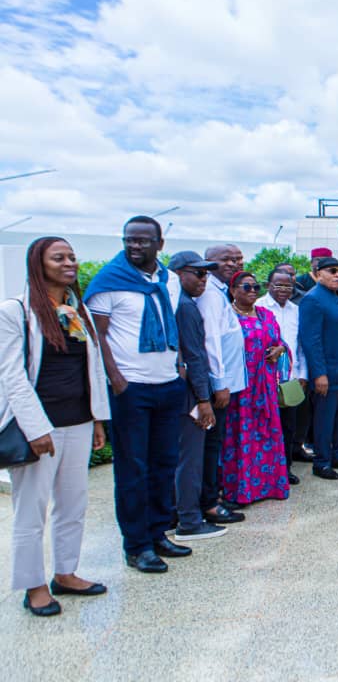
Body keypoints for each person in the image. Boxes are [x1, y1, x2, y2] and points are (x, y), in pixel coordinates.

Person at [2, 237, 109, 616]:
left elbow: (91, 369)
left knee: (73, 503)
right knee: (31, 510)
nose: (69, 263)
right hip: (39, 427)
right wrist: (35, 429)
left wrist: (97, 420)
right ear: (38, 264)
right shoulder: (15, 311)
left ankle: (66, 572)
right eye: (58, 258)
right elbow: (12, 376)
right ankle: (33, 586)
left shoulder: (78, 311)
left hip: (78, 420)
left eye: (72, 257)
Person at [85, 216, 188, 573]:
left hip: (168, 384)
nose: (135, 245)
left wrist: (178, 366)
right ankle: (137, 545)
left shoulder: (169, 280)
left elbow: (171, 324)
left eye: (143, 240)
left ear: (160, 244)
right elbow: (98, 336)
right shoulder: (109, 281)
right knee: (133, 469)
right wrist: (117, 380)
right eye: (129, 239)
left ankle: (159, 533)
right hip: (132, 388)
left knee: (164, 464)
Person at [169, 251, 227, 542]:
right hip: (190, 396)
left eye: (207, 274)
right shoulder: (185, 307)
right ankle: (190, 521)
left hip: (180, 391)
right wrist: (204, 400)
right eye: (199, 273)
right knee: (190, 459)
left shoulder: (178, 303)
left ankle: (175, 514)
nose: (205, 279)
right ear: (179, 274)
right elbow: (195, 357)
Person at [221, 271, 289, 504]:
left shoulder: (266, 314)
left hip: (266, 387)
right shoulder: (227, 316)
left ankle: (269, 486)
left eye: (255, 287)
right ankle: (241, 490)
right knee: (241, 437)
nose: (252, 291)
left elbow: (280, 341)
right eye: (246, 287)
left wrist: (279, 349)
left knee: (268, 434)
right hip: (241, 388)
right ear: (233, 290)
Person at [194, 244, 249, 525]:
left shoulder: (219, 292)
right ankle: (209, 503)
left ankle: (213, 495)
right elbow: (211, 341)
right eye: (226, 259)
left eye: (237, 259)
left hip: (225, 383)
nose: (233, 263)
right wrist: (219, 384)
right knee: (210, 445)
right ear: (208, 262)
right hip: (217, 386)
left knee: (216, 444)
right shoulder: (210, 295)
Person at [299, 257, 338, 479]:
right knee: (325, 419)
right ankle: (322, 461)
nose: (337, 275)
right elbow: (311, 341)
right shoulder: (313, 299)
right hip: (329, 373)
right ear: (318, 274)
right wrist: (319, 374)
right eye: (332, 271)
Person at [255, 267, 307, 484]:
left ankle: (285, 469)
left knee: (288, 426)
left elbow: (300, 345)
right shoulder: (258, 307)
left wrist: (302, 374)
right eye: (278, 285)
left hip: (289, 378)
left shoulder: (296, 310)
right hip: (264, 379)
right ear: (268, 285)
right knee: (265, 426)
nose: (284, 289)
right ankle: (265, 470)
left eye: (288, 285)